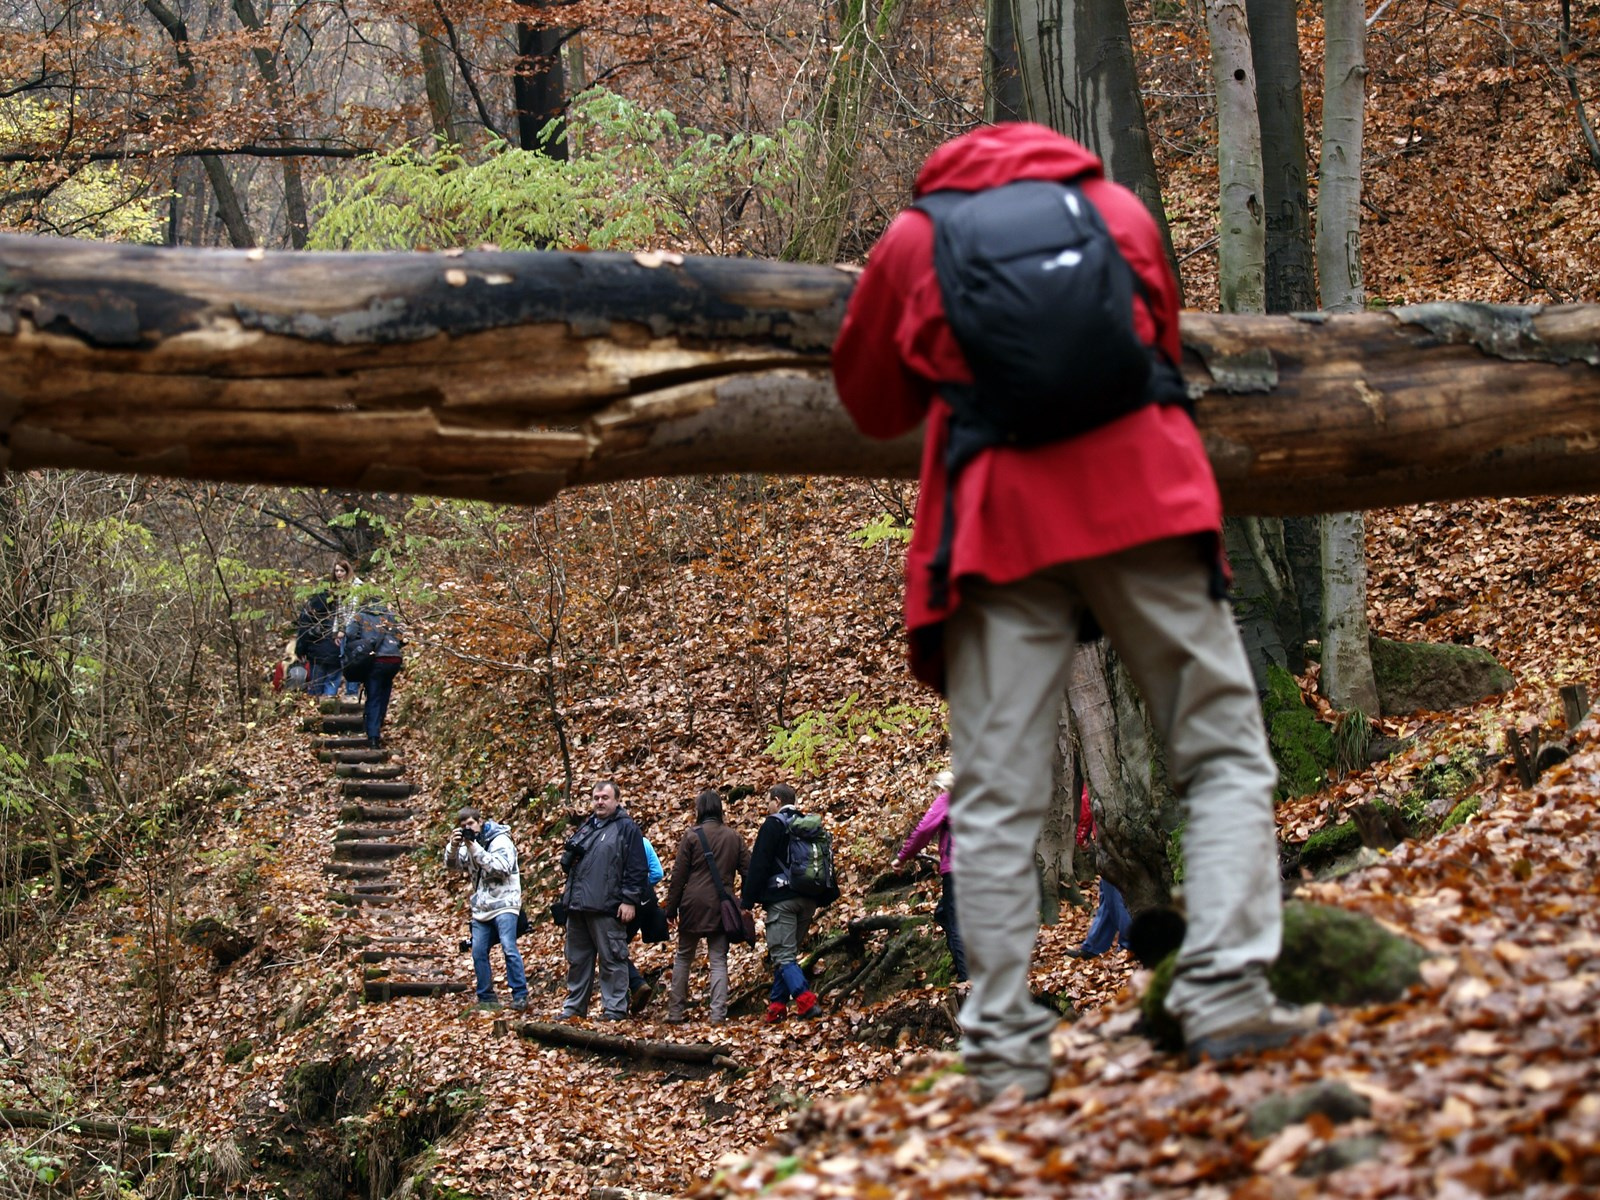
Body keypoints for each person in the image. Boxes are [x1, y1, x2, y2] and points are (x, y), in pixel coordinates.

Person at [833, 122, 1322, 1099]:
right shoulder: (1117, 210)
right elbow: (1157, 344)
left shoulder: (913, 241)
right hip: (1146, 502)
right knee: (1220, 753)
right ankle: (1225, 992)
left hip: (999, 529)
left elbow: (872, 404)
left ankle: (1004, 1046)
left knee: (997, 799)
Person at [742, 784, 838, 1022]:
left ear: (776, 800)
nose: (766, 808)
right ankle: (776, 1008)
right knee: (787, 956)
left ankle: (806, 1002)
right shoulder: (808, 825)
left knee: (783, 956)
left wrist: (747, 900)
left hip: (782, 900)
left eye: (767, 803)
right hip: (809, 900)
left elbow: (759, 864)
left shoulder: (773, 824)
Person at [559, 779, 648, 1021]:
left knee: (612, 959)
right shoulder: (587, 826)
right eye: (596, 798)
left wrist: (629, 900)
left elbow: (637, 868)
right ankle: (574, 1009)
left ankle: (615, 1010)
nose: (599, 802)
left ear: (616, 800)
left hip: (607, 906)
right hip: (578, 905)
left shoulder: (626, 828)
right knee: (577, 960)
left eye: (604, 797)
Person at [663, 789, 750, 1024]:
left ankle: (675, 1012)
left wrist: (670, 910)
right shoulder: (734, 837)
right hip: (721, 907)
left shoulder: (692, 836)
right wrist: (746, 902)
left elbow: (678, 876)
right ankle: (717, 1015)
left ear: (700, 810)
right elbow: (748, 871)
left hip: (692, 904)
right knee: (718, 959)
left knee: (683, 957)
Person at [445, 806, 528, 1011]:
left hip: (505, 904)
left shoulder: (500, 840)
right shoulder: (468, 843)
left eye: (471, 824)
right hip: (481, 908)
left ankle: (520, 995)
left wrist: (473, 847)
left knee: (509, 947)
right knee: (478, 951)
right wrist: (453, 846)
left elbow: (500, 869)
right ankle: (486, 998)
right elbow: (452, 866)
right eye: (463, 826)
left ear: (480, 821)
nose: (468, 828)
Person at [894, 769, 968, 984]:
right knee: (944, 913)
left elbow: (924, 830)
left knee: (955, 922)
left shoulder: (948, 800)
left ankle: (968, 978)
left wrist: (902, 857)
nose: (936, 795)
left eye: (937, 790)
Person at [1067, 785, 1131, 959]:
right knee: (1106, 895)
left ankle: (1128, 944)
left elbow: (1087, 802)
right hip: (1125, 830)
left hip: (1109, 835)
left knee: (1114, 894)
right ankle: (1094, 945)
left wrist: (1081, 834)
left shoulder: (1096, 766)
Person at [343, 599, 404, 749]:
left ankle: (373, 736)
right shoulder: (389, 615)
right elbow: (400, 636)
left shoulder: (360, 616)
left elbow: (349, 634)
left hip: (375, 660)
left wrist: (362, 644)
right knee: (384, 693)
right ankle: (378, 722)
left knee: (374, 696)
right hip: (394, 659)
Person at [624, 834, 666, 1013]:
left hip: (624, 903)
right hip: (645, 904)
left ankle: (635, 986)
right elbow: (657, 872)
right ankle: (632, 989)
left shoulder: (616, 842)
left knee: (612, 950)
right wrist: (644, 887)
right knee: (617, 948)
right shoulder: (643, 842)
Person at [294, 571, 344, 697]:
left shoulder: (311, 607)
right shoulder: (340, 604)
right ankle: (329, 707)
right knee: (331, 682)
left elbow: (304, 631)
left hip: (316, 653)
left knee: (316, 684)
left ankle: (317, 710)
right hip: (336, 650)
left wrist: (300, 650)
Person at [329, 558, 363, 697]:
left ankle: (353, 691)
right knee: (345, 661)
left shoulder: (356, 586)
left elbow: (354, 610)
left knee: (352, 661)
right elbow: (339, 612)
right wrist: (335, 632)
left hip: (355, 630)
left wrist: (345, 630)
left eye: (341, 570)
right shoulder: (339, 588)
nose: (338, 573)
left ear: (347, 571)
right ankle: (351, 691)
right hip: (344, 630)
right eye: (336, 570)